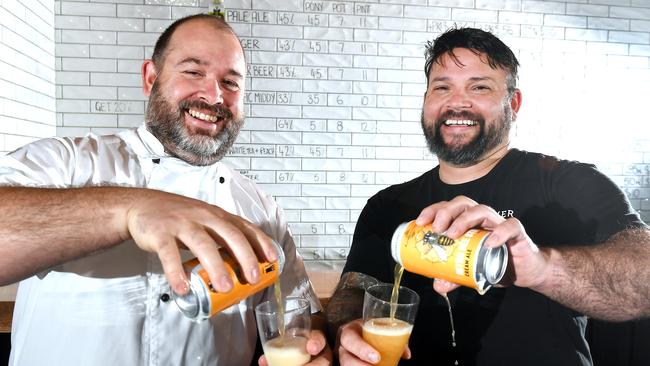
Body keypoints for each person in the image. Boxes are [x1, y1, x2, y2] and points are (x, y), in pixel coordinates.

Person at [0, 14, 331, 366]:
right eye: (193, 71)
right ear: (151, 78)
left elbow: (299, 320)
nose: (214, 94)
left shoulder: (261, 208)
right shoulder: (69, 164)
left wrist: (315, 347)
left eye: (231, 83)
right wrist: (129, 211)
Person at [326, 27, 650, 366]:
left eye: (479, 86)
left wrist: (541, 268)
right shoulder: (387, 206)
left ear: (513, 103)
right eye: (442, 87)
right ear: (426, 102)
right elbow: (353, 292)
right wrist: (348, 329)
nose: (457, 102)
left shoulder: (567, 184)